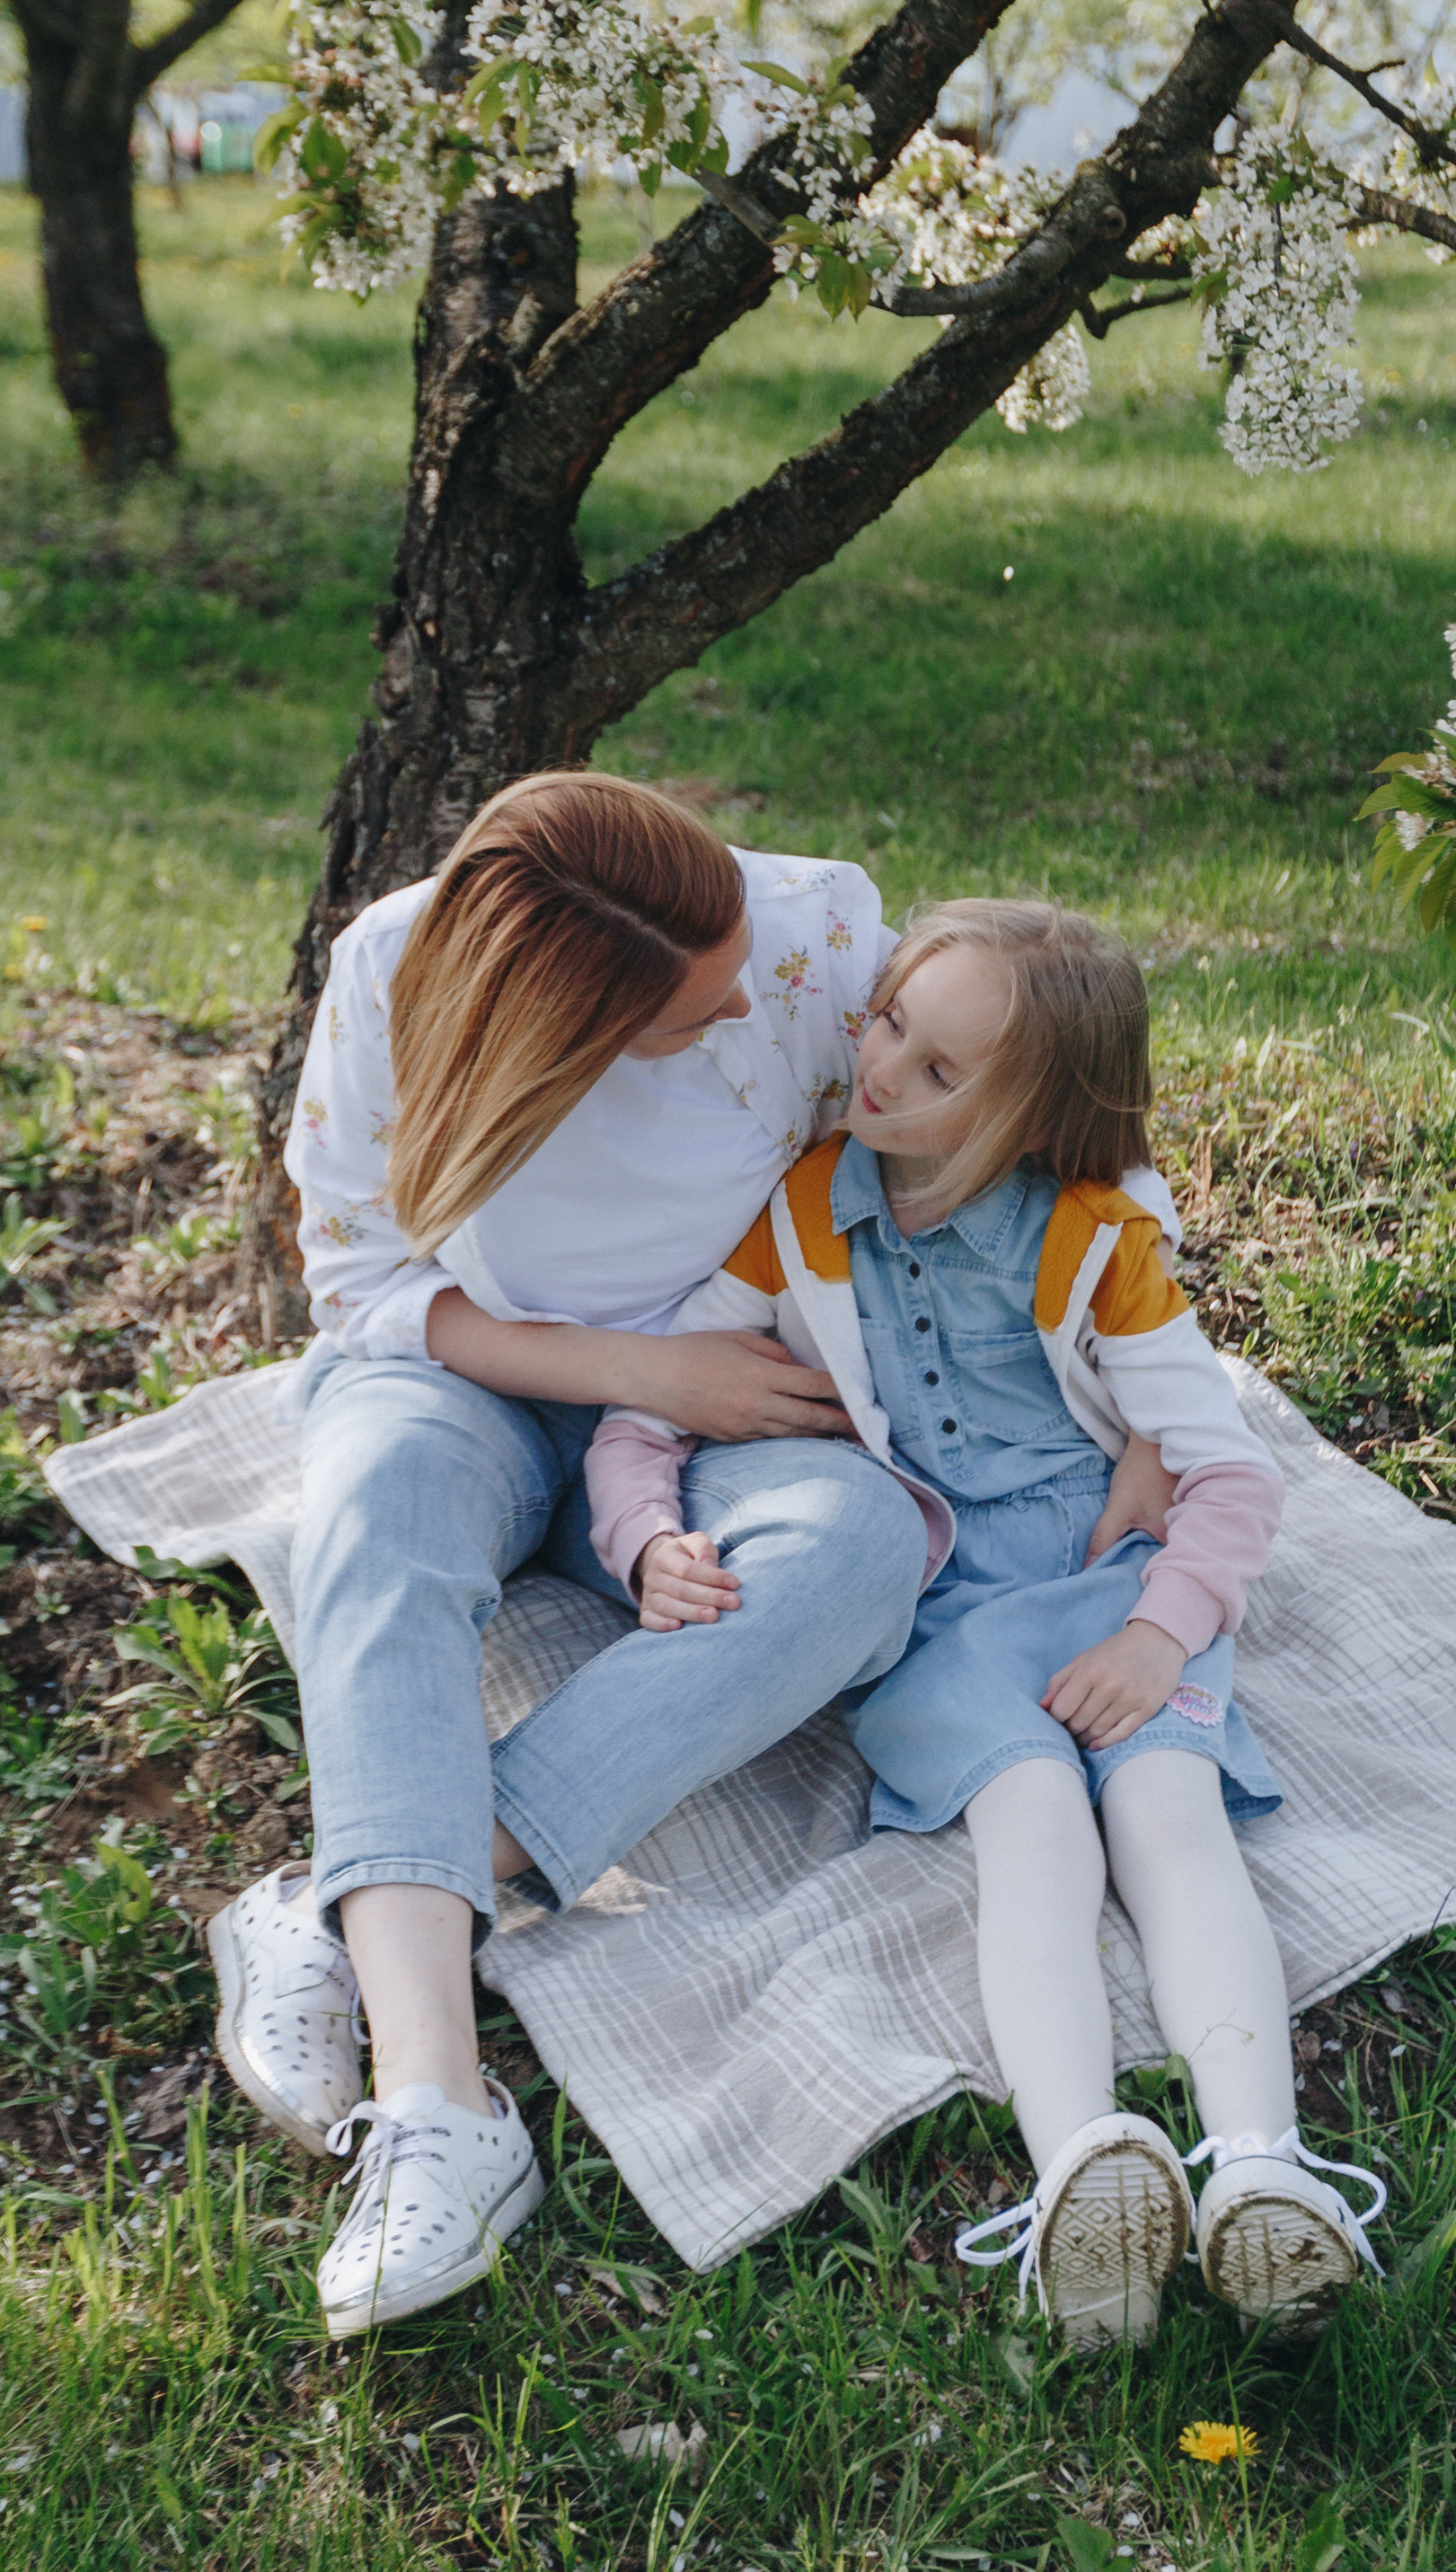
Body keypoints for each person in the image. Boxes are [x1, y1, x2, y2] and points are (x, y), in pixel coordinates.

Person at [582, 898, 1387, 2347]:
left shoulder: (1094, 1241)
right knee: (1034, 1832)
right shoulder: (800, 1218)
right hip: (938, 1609)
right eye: (887, 1021)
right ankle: (1086, 2169)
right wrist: (646, 1537)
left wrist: (1162, 1631)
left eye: (942, 1070)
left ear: (1030, 1116)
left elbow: (1227, 1465)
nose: (881, 1070)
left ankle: (1265, 2174)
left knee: (1169, 1814)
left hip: (1110, 1582)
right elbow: (653, 1401)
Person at [207, 773, 940, 2338]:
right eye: (691, 1010)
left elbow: (964, 1157)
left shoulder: (820, 939)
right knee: (374, 1511)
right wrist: (630, 1378)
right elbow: (358, 1278)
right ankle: (439, 2113)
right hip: (465, 1378)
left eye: (735, 952)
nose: (743, 999)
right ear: (558, 1031)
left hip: (725, 1408)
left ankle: (358, 1901)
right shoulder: (400, 974)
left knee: (868, 1544)